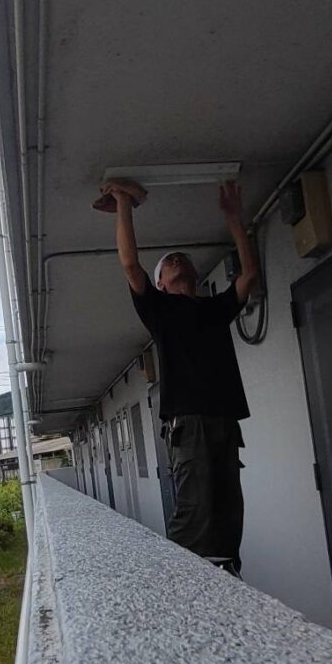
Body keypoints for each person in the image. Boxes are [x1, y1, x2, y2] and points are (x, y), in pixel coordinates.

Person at [97, 177, 259, 576]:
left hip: (225, 421)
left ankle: (227, 572)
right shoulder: (160, 311)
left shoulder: (215, 308)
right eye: (168, 262)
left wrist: (234, 219)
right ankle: (183, 580)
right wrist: (123, 203)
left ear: (195, 275)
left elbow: (250, 275)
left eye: (182, 258)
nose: (177, 261)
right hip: (189, 422)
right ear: (160, 284)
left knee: (229, 507)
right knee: (194, 508)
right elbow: (130, 264)